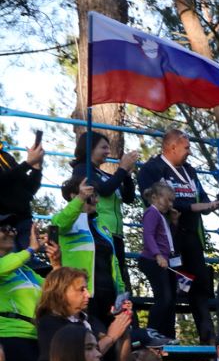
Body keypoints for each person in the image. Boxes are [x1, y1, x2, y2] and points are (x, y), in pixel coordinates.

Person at [138, 130, 218, 340]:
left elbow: (202, 196)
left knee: (199, 283)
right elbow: (153, 203)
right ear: (172, 147)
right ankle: (165, 337)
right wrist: (193, 207)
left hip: (191, 236)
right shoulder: (152, 169)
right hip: (167, 240)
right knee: (168, 289)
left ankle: (207, 335)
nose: (190, 152)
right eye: (187, 147)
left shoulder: (190, 170)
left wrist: (208, 205)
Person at [68, 130, 138, 293]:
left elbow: (128, 197)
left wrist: (126, 175)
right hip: (98, 232)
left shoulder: (104, 174)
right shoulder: (81, 170)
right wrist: (121, 170)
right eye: (104, 147)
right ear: (90, 148)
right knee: (105, 281)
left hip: (115, 234)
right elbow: (104, 190)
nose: (108, 151)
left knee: (117, 280)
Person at [35, 266, 132, 361]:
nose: (88, 294)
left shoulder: (92, 321)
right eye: (81, 289)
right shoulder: (50, 324)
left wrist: (123, 326)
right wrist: (110, 337)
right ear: (61, 292)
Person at [52, 179, 127, 325]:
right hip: (83, 295)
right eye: (93, 196)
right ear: (75, 195)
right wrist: (80, 199)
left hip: (108, 295)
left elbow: (114, 261)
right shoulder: (64, 221)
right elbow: (59, 224)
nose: (97, 200)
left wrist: (121, 292)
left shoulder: (102, 225)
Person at [0, 216, 45, 361]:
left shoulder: (25, 270)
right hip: (12, 339)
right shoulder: (10, 263)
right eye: (4, 228)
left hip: (36, 338)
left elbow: (54, 289)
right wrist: (31, 250)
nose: (11, 232)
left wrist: (57, 260)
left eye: (12, 228)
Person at [139, 182, 181, 338]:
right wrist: (158, 255)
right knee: (163, 297)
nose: (170, 204)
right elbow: (148, 235)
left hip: (166, 261)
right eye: (167, 200)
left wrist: (174, 223)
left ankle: (168, 334)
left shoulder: (162, 216)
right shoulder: (152, 212)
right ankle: (152, 330)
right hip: (154, 260)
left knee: (170, 299)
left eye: (172, 201)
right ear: (155, 197)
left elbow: (166, 238)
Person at [0, 132, 43, 251]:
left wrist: (36, 167)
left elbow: (30, 188)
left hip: (24, 221)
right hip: (4, 226)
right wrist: (28, 163)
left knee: (29, 264)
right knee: (11, 264)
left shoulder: (6, 157)